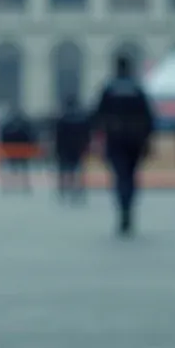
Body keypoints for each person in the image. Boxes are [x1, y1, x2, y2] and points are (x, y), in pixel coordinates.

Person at [92, 54, 155, 235]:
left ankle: (123, 209)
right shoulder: (138, 89)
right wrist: (147, 139)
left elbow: (98, 116)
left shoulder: (109, 88)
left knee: (120, 175)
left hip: (115, 138)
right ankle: (129, 208)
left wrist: (98, 137)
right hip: (136, 139)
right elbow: (149, 117)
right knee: (132, 175)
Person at [53, 94, 92, 202]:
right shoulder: (82, 118)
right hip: (79, 147)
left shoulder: (62, 118)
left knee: (65, 171)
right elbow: (87, 134)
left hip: (65, 149)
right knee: (78, 170)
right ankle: (78, 191)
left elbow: (58, 136)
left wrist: (57, 150)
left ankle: (64, 190)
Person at [0, 106, 36, 191]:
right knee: (23, 169)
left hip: (11, 151)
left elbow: (3, 137)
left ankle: (8, 186)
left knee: (11, 168)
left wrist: (5, 148)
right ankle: (24, 185)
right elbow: (31, 137)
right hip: (23, 151)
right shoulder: (25, 123)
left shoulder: (7, 124)